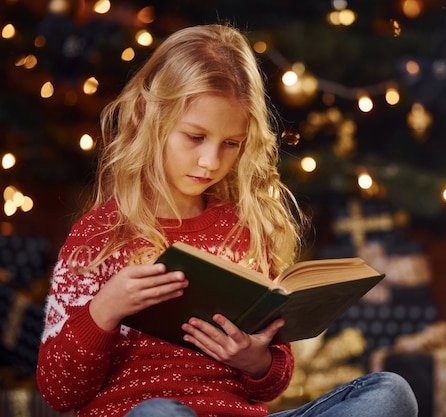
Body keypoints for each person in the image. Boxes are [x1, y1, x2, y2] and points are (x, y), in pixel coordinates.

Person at [36, 23, 418, 417]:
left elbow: (274, 377)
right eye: (195, 137)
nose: (211, 162)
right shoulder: (99, 236)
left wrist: (256, 361)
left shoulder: (243, 230)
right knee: (159, 414)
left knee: (390, 393)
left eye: (230, 144)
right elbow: (58, 392)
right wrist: (105, 309)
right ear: (149, 118)